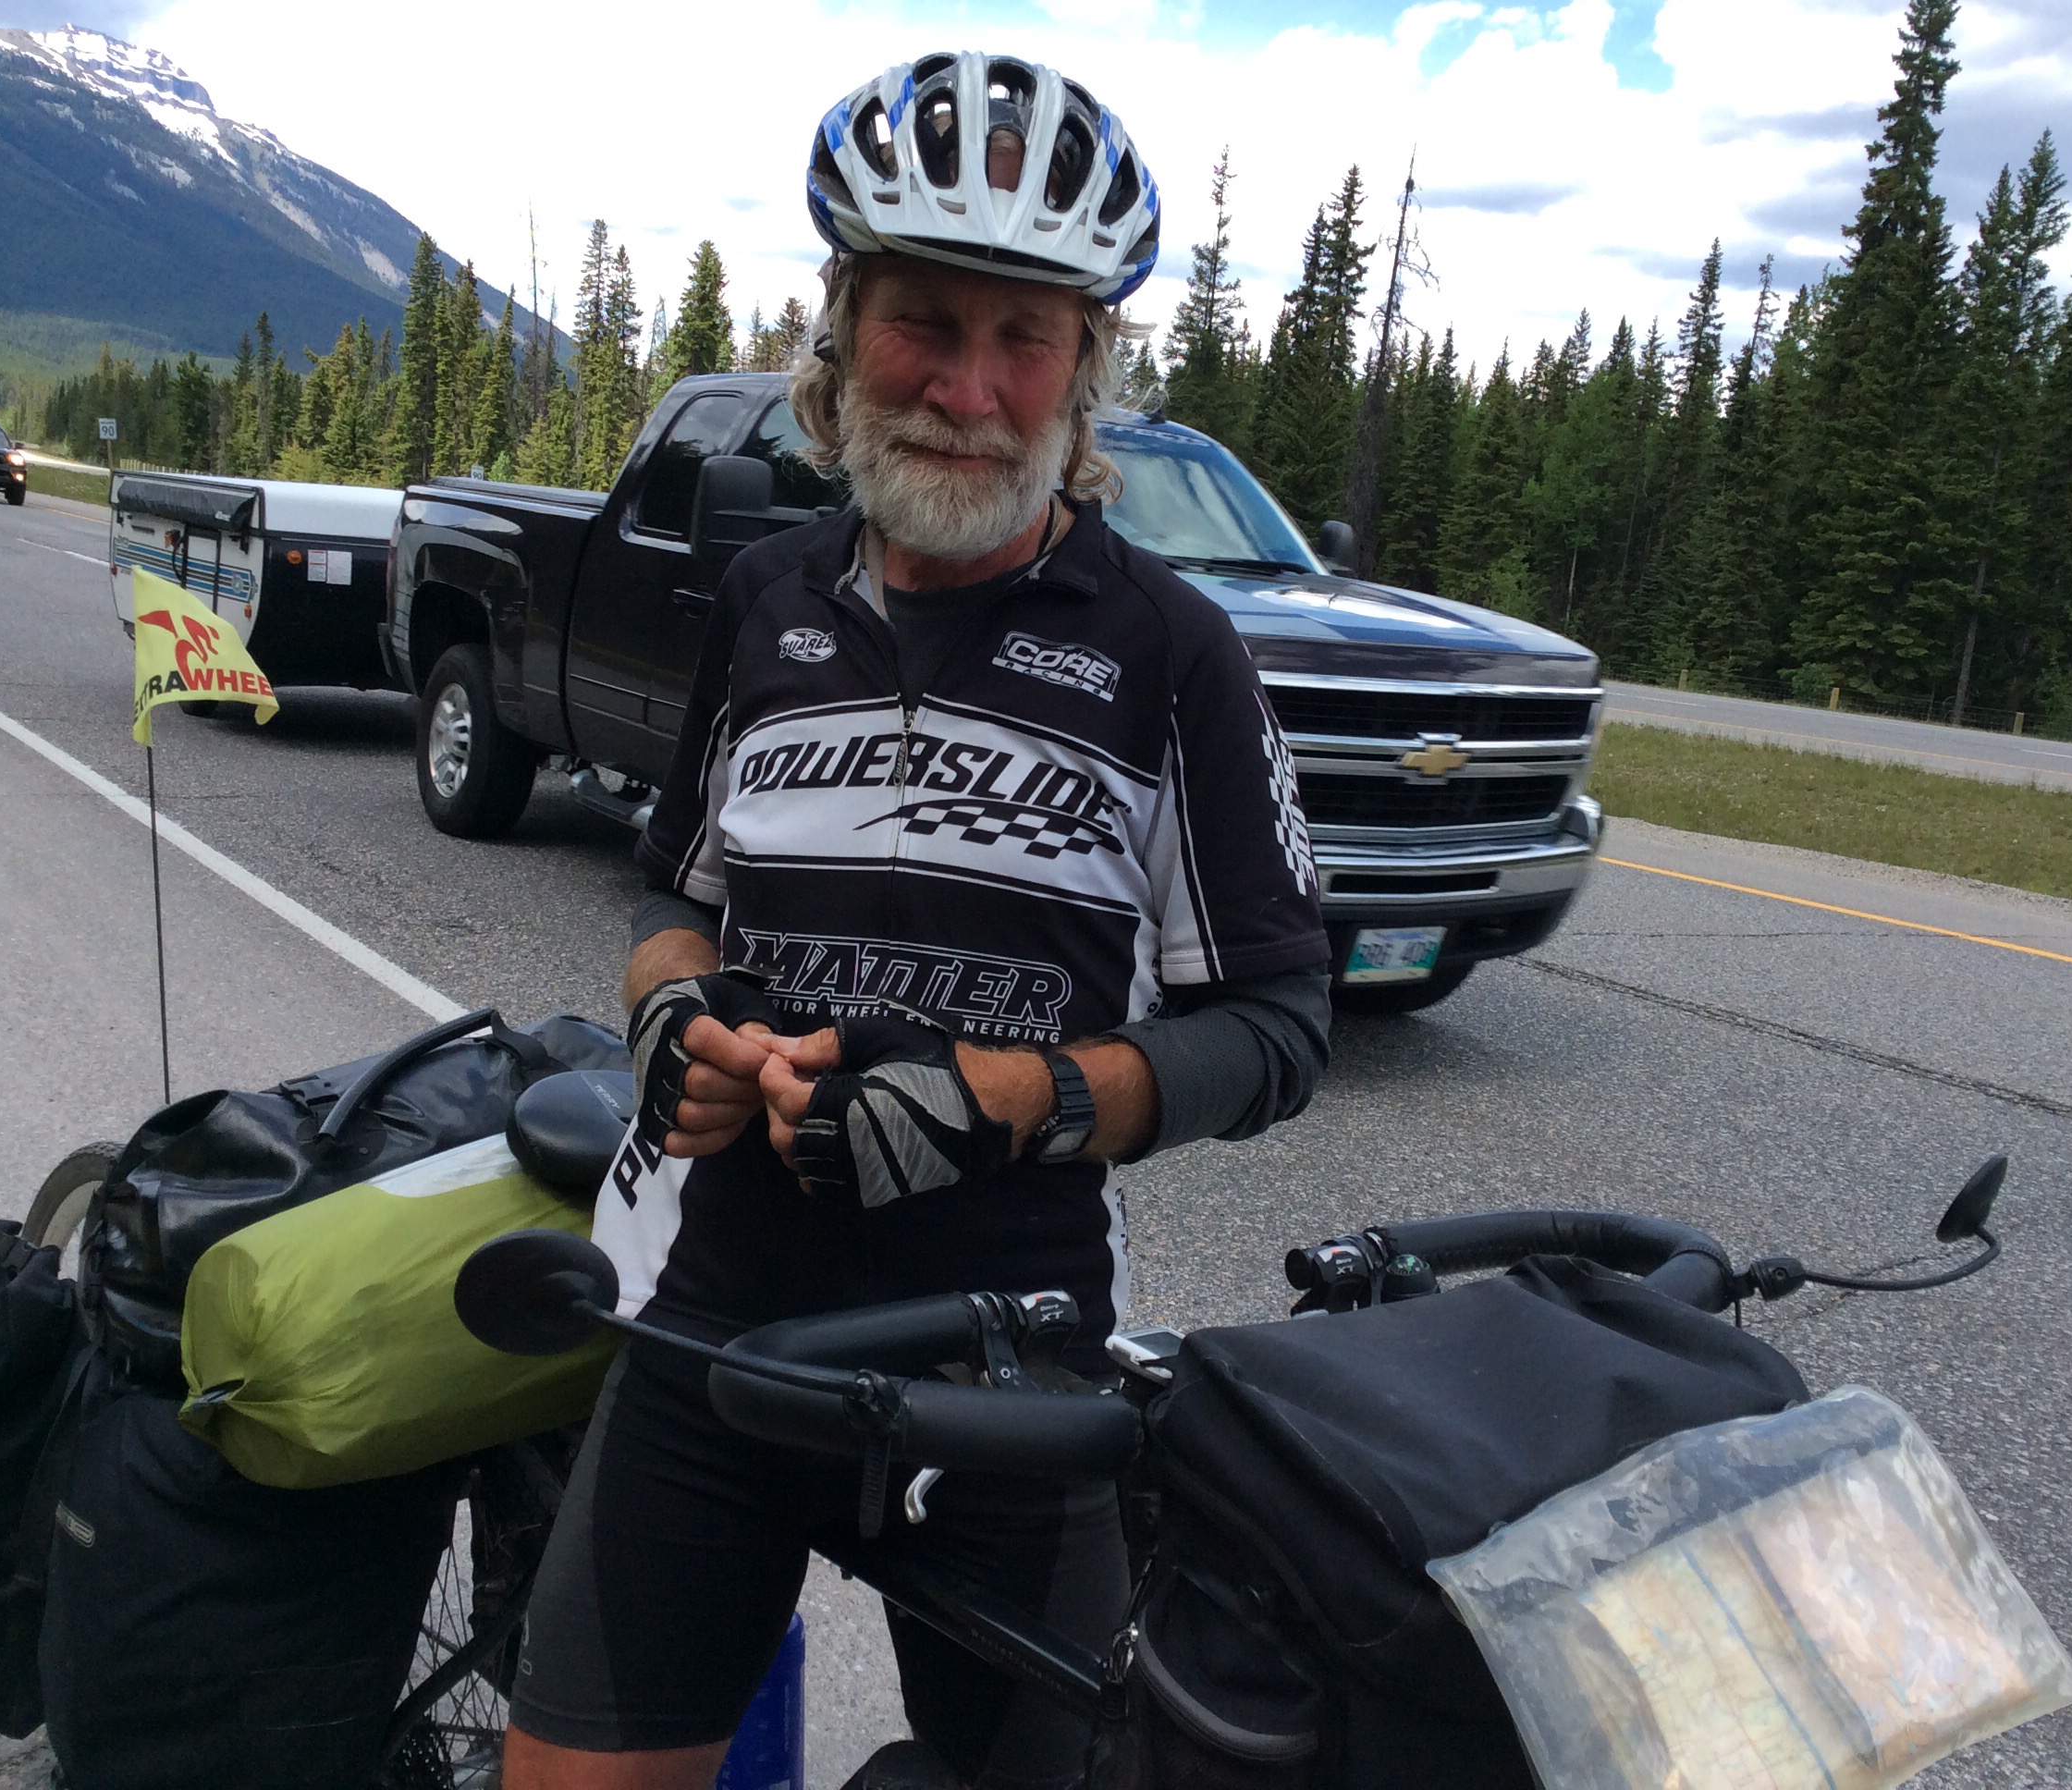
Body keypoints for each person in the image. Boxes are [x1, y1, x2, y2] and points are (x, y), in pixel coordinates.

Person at [506, 51, 1332, 1790]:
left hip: (1006, 1353)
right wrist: (672, 1018)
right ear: (841, 334)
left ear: (1085, 371)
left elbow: (1274, 1027)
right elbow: (678, 894)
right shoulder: (767, 599)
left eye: (1025, 336)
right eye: (923, 324)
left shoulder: (1173, 652)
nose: (970, 386)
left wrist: (1003, 1100)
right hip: (718, 1314)